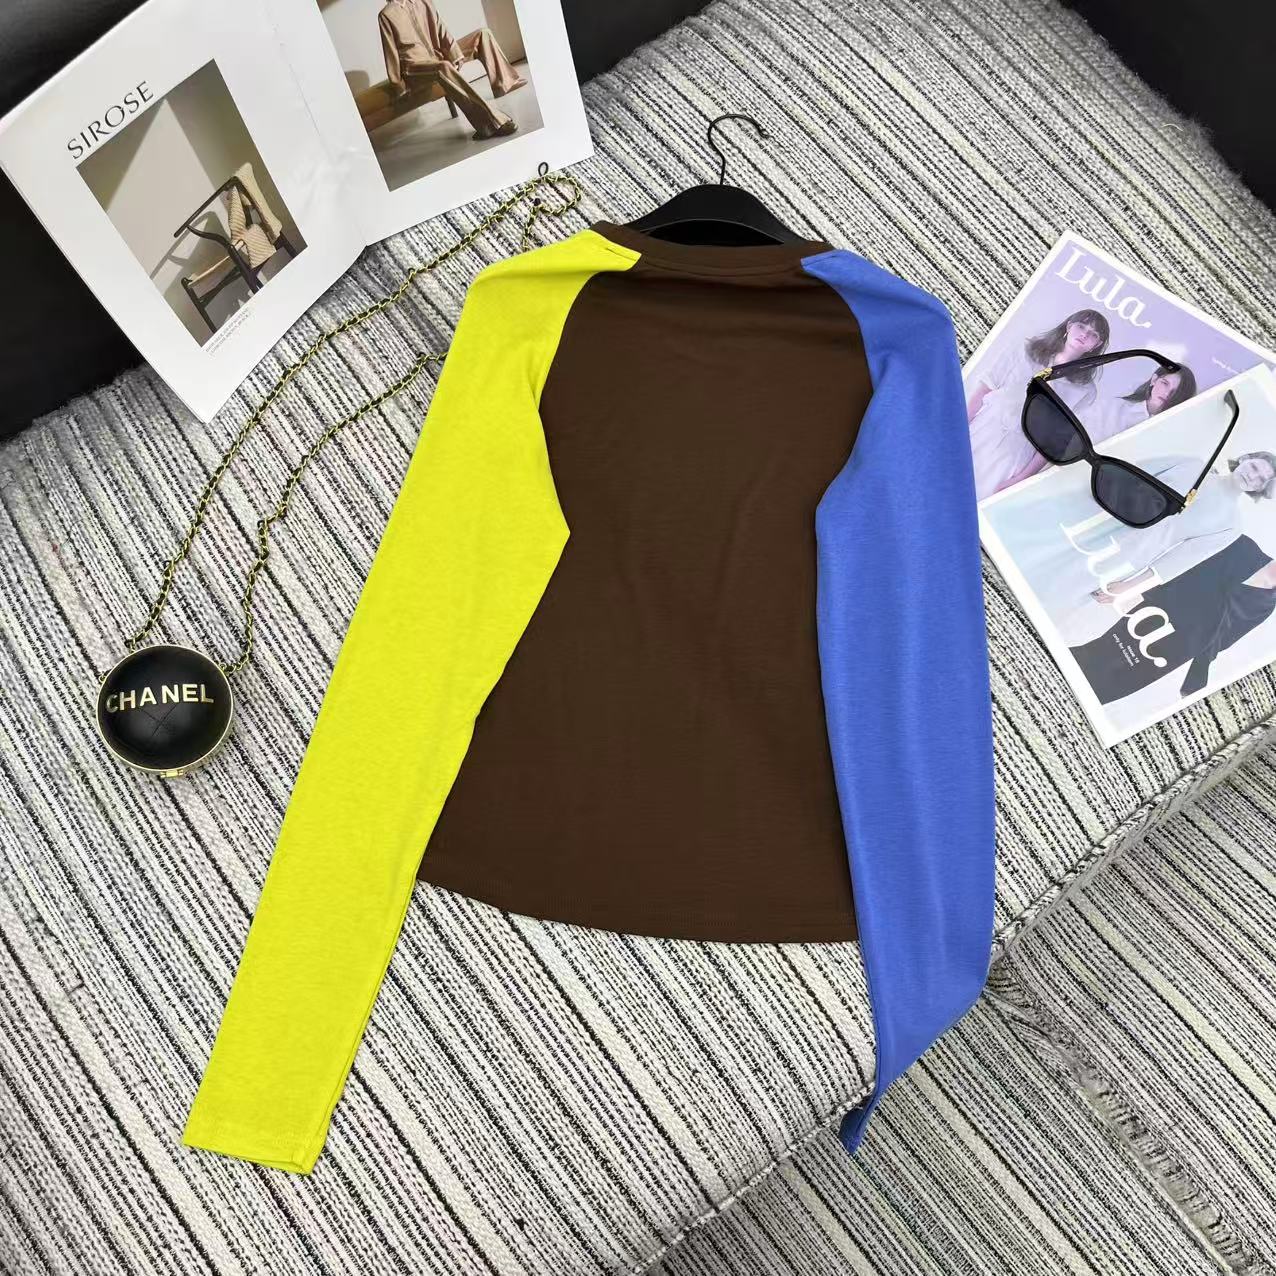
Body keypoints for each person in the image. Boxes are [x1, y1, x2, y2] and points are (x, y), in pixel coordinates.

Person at [1071, 534, 1276, 703]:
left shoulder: (1269, 603)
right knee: (1097, 654)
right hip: (1158, 614)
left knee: (1113, 686)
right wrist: (1128, 587)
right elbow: (1178, 566)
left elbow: (1224, 639)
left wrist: (1197, 676)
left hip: (1180, 648)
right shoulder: (1242, 546)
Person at [967, 308, 1110, 500]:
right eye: (1081, 326)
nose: (1085, 334)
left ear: (1097, 345)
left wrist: (1021, 478)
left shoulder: (1085, 391)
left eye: (1094, 334)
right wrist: (957, 430)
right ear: (1069, 326)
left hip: (1015, 454)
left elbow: (1054, 442)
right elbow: (984, 389)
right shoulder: (1025, 350)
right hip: (982, 431)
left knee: (972, 503)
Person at [378, 0, 527, 140]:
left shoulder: (423, 1)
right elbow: (390, 51)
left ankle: (505, 82)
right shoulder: (387, 14)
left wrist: (455, 54)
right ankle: (489, 124)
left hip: (437, 56)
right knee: (444, 67)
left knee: (482, 34)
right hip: (414, 67)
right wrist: (399, 86)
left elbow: (440, 28)